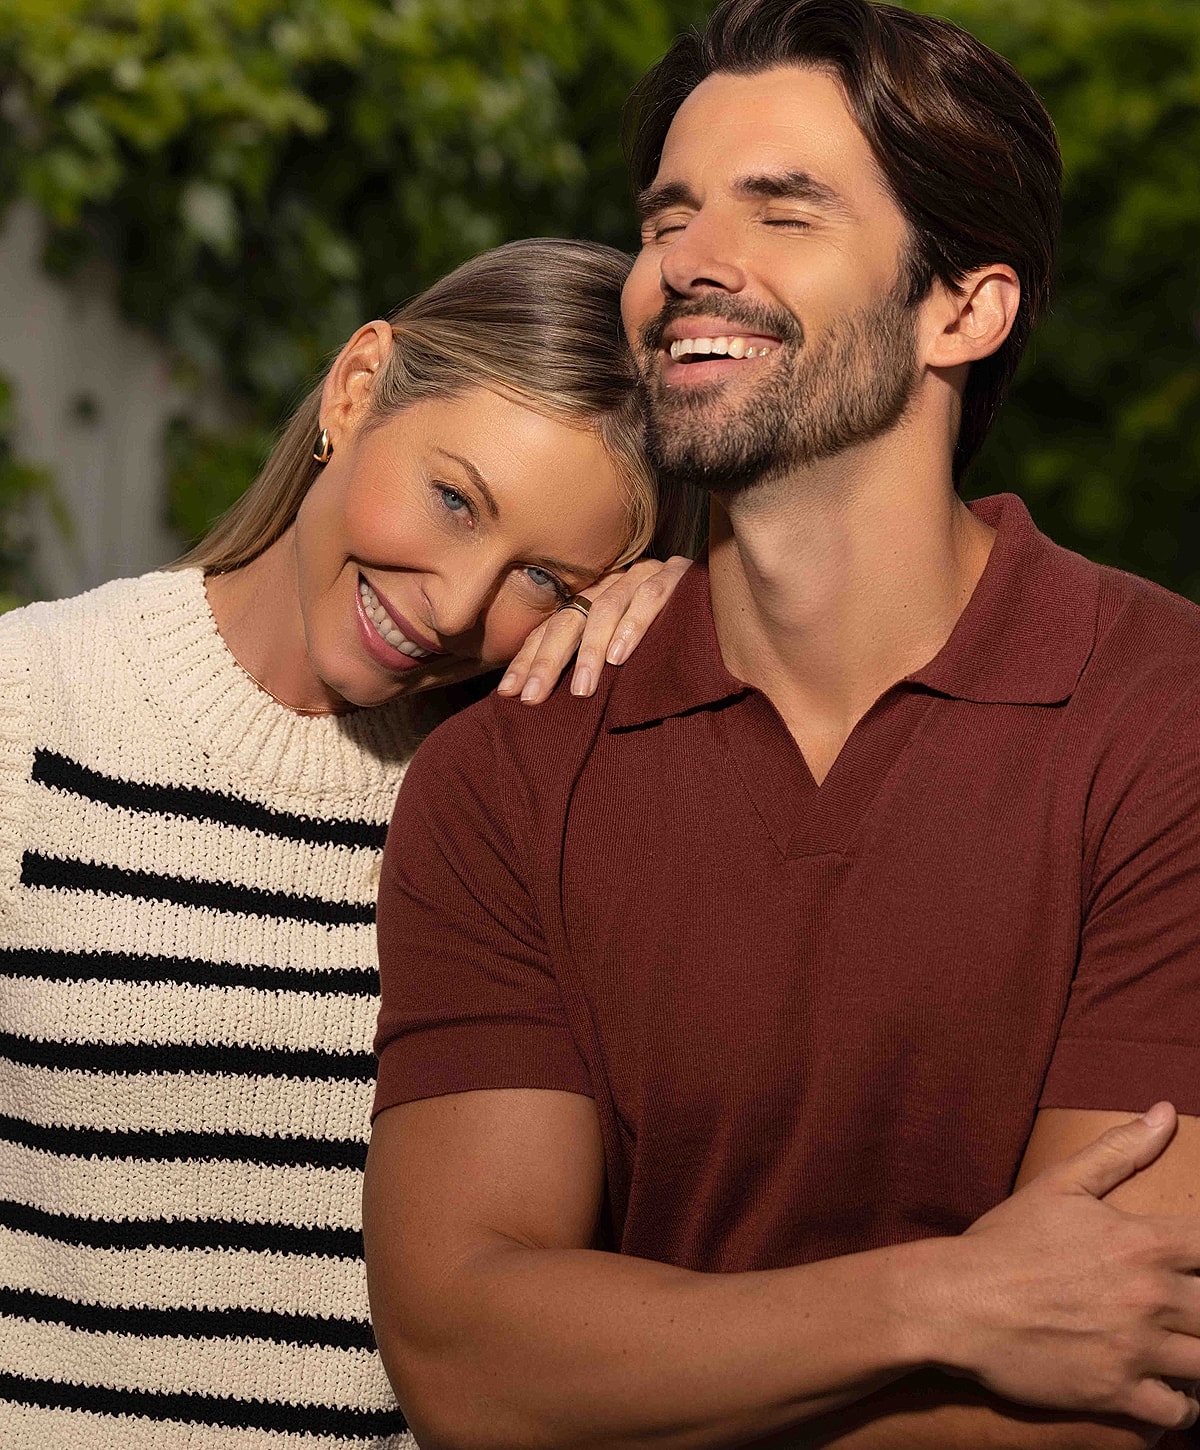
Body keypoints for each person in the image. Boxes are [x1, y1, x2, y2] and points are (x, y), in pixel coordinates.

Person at [365, 3, 1200, 1448]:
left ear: (964, 306)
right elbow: (469, 1367)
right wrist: (942, 1300)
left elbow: (1124, 1363)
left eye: (784, 210)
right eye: (669, 214)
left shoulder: (1166, 714)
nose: (689, 263)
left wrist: (638, 1378)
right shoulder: (506, 766)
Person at [0, 237, 699, 1448]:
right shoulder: (27, 708)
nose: (458, 604)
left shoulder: (527, 812)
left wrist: (696, 661)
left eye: (543, 576)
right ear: (358, 384)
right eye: (454, 499)